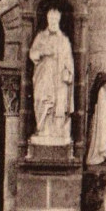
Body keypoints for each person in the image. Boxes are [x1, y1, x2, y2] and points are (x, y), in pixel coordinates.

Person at [29, 7, 74, 143]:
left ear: (59, 20)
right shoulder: (40, 37)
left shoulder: (64, 40)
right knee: (42, 100)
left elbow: (69, 61)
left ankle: (57, 131)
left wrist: (68, 72)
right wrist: (43, 52)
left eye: (55, 19)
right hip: (44, 76)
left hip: (58, 79)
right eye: (51, 19)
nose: (53, 22)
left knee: (58, 104)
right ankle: (43, 130)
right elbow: (32, 54)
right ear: (47, 20)